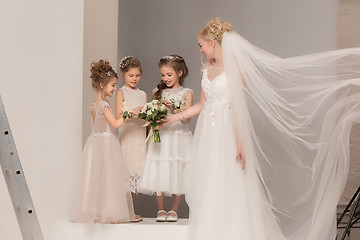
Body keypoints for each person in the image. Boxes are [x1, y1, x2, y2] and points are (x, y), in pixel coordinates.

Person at [162, 17, 360, 240]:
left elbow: (238, 108)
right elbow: (201, 105)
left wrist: (240, 143)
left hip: (226, 132)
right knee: (209, 181)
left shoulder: (236, 69)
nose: (200, 50)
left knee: (230, 180)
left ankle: (233, 232)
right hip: (207, 133)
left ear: (213, 43)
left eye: (201, 45)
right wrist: (175, 118)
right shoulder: (206, 68)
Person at [71, 59, 136, 223]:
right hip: (106, 143)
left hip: (94, 143)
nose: (114, 89)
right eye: (112, 85)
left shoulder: (94, 104)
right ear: (102, 84)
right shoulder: (103, 106)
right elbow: (114, 124)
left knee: (96, 177)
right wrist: (130, 115)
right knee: (108, 178)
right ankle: (108, 212)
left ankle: (95, 211)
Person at [138, 55, 193, 222]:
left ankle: (174, 209)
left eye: (169, 74)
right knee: (158, 167)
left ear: (180, 73)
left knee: (178, 168)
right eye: (163, 75)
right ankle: (161, 209)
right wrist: (153, 114)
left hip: (178, 135)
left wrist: (175, 109)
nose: (165, 78)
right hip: (162, 135)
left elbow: (187, 118)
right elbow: (151, 114)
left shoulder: (187, 93)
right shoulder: (157, 92)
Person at [115, 56, 147, 221]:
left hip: (140, 136)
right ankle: (124, 212)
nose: (134, 79)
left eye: (137, 75)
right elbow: (119, 117)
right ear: (123, 75)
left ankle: (128, 211)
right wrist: (132, 112)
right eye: (131, 75)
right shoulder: (121, 92)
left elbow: (146, 117)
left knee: (136, 175)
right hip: (128, 137)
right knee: (127, 175)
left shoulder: (143, 94)